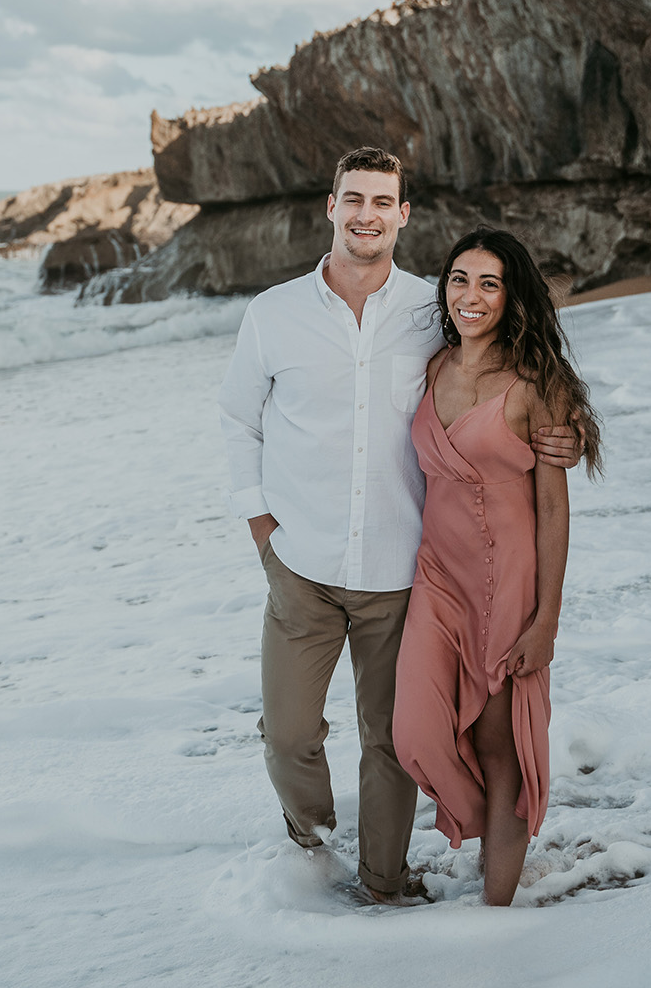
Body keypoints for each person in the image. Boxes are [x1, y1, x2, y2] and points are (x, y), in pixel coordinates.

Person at [218, 149, 584, 904]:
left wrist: (565, 434)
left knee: (395, 742)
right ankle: (312, 847)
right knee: (290, 736)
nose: (366, 215)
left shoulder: (430, 311)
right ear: (330, 206)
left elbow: (511, 379)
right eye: (354, 199)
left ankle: (384, 885)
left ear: (403, 214)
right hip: (304, 562)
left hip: (399, 571)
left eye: (382, 201)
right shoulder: (274, 314)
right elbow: (235, 419)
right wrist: (261, 525)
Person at [393, 228, 601, 906]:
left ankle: (497, 906)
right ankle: (491, 846)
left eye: (489, 282)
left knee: (497, 743)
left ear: (511, 296)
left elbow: (552, 511)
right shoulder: (430, 367)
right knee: (416, 732)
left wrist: (546, 620)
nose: (471, 295)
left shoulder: (537, 383)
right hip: (438, 576)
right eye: (459, 279)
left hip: (506, 583)